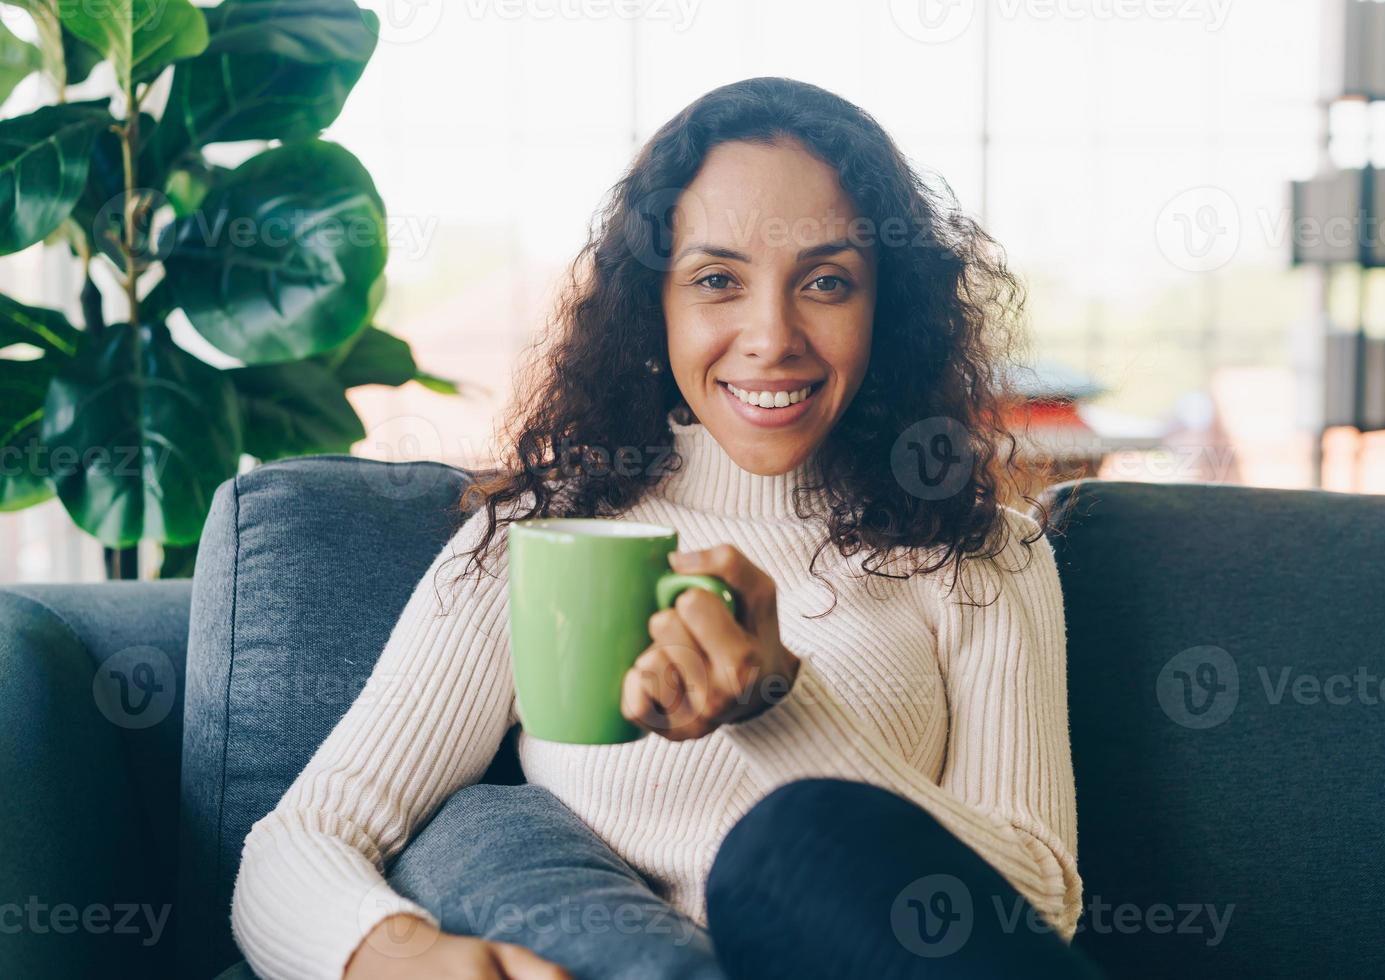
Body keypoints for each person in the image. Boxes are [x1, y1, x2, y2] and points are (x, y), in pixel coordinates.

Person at [229, 76, 1097, 980]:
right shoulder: (547, 532)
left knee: (795, 840)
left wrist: (780, 707)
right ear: (655, 306)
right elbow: (300, 839)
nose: (771, 336)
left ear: (891, 310)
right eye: (717, 280)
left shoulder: (983, 553)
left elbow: (1035, 910)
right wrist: (403, 957)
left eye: (827, 282)